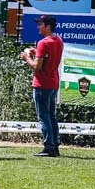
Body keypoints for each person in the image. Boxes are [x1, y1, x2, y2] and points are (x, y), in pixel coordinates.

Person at [20, 14, 64, 157]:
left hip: (42, 83)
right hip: (53, 82)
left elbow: (36, 66)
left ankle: (48, 147)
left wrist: (27, 57)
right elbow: (47, 56)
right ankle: (55, 145)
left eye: (40, 24)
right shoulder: (58, 40)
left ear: (48, 26)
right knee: (52, 116)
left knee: (43, 117)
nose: (38, 27)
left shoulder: (43, 43)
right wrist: (36, 52)